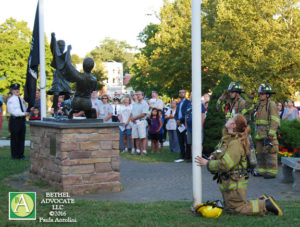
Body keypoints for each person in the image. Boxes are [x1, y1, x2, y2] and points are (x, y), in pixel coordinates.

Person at [195, 115, 283, 216]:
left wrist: (207, 163)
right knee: (230, 208)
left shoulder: (236, 144)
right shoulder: (227, 138)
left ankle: (265, 204)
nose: (228, 119)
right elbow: (219, 150)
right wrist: (213, 155)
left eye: (231, 119)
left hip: (235, 183)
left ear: (233, 125)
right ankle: (262, 199)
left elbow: (225, 164)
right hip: (229, 182)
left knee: (237, 209)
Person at [248, 84, 280, 178]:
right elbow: (248, 111)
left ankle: (272, 172)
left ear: (267, 94)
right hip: (259, 133)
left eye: (262, 93)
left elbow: (275, 120)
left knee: (270, 153)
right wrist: (250, 99)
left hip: (267, 133)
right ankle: (262, 171)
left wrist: (271, 133)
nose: (260, 95)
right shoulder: (258, 105)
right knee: (260, 153)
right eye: (260, 94)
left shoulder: (271, 104)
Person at [7, 83, 29, 160]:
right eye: (15, 89)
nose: (17, 91)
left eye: (18, 89)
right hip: (15, 120)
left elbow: (24, 108)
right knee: (15, 138)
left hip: (22, 120)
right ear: (12, 91)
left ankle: (21, 154)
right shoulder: (11, 100)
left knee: (21, 137)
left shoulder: (21, 99)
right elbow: (12, 111)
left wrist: (27, 111)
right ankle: (15, 155)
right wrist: (23, 113)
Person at [174, 89, 191, 163]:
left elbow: (186, 113)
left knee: (186, 141)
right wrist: (177, 120)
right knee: (180, 140)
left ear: (185, 94)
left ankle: (187, 155)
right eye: (179, 92)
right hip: (179, 125)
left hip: (184, 124)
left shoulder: (188, 102)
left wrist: (180, 121)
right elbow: (176, 113)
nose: (181, 94)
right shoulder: (179, 103)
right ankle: (182, 154)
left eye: (182, 92)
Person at [131, 91, 149, 155]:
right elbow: (132, 113)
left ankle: (144, 151)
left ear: (142, 96)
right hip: (135, 122)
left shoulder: (145, 104)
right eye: (136, 94)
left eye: (139, 94)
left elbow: (143, 114)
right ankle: (138, 150)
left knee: (142, 137)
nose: (137, 96)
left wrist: (134, 118)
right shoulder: (134, 104)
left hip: (141, 121)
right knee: (136, 137)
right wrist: (132, 119)